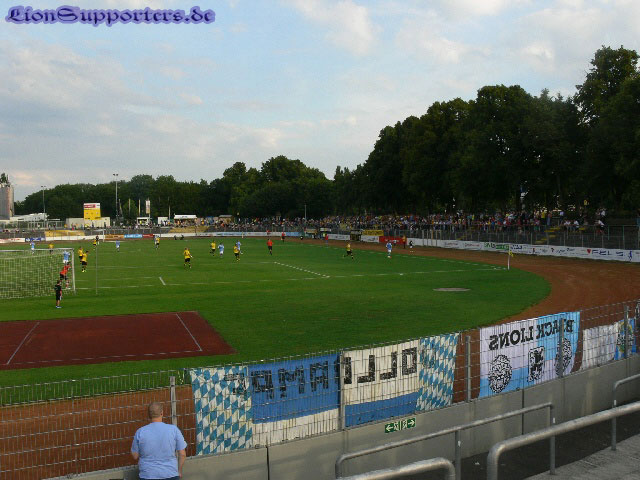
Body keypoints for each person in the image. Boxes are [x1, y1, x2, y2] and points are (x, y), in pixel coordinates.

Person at [131, 402, 187, 480]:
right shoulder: (173, 430)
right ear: (162, 413)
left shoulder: (140, 432)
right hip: (170, 474)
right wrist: (179, 471)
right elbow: (182, 454)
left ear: (149, 415)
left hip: (147, 475)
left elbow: (135, 456)